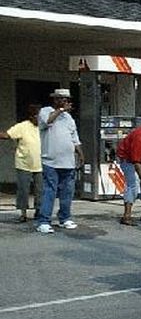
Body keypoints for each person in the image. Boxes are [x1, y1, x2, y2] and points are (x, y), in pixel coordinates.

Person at [36, 89, 84, 234]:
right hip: (50, 161)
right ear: (55, 99)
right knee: (49, 191)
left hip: (68, 162)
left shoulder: (68, 118)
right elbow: (47, 121)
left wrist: (80, 154)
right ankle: (44, 221)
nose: (64, 101)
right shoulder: (46, 111)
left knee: (67, 192)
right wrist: (61, 110)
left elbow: (75, 138)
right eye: (61, 99)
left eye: (66, 99)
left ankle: (65, 218)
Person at [0, 104, 42, 222]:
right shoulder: (22, 126)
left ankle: (39, 212)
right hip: (24, 164)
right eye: (37, 116)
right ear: (31, 116)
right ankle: (23, 213)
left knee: (41, 190)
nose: (39, 118)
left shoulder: (45, 126)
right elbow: (7, 135)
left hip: (41, 164)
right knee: (23, 190)